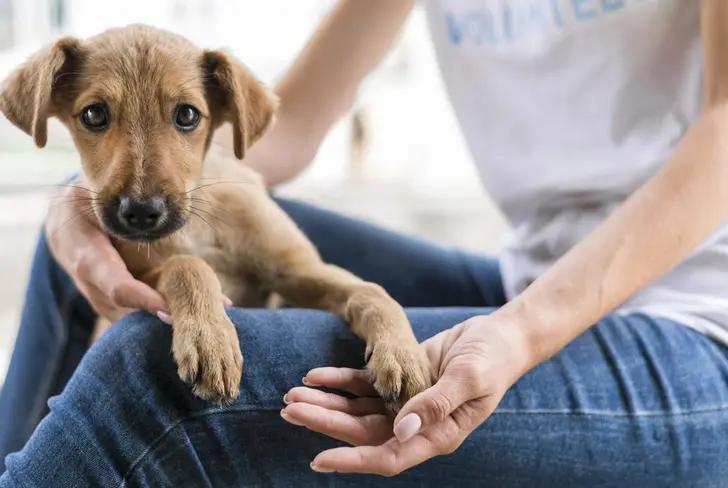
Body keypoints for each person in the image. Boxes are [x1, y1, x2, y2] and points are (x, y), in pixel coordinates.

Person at [1, 0, 728, 485]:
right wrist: (82, 197)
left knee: (150, 372)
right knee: (72, 245)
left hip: (697, 325)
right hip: (529, 276)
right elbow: (279, 137)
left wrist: (519, 335)